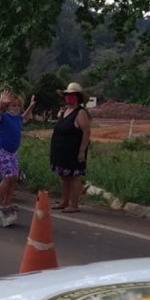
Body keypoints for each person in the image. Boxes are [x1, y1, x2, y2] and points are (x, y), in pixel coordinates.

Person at [0, 91, 35, 211]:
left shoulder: (18, 118)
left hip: (12, 153)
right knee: (8, 177)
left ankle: (7, 201)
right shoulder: (4, 117)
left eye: (18, 106)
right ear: (7, 107)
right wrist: (0, 102)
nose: (16, 108)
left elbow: (25, 118)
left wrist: (31, 106)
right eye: (13, 105)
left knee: (14, 178)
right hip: (2, 151)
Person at [50, 82, 92, 213]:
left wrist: (81, 151)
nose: (69, 98)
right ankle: (64, 200)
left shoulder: (81, 113)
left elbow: (86, 132)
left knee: (74, 177)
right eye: (68, 95)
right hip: (60, 150)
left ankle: (74, 204)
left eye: (72, 95)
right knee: (63, 176)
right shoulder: (64, 111)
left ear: (78, 97)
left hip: (73, 150)